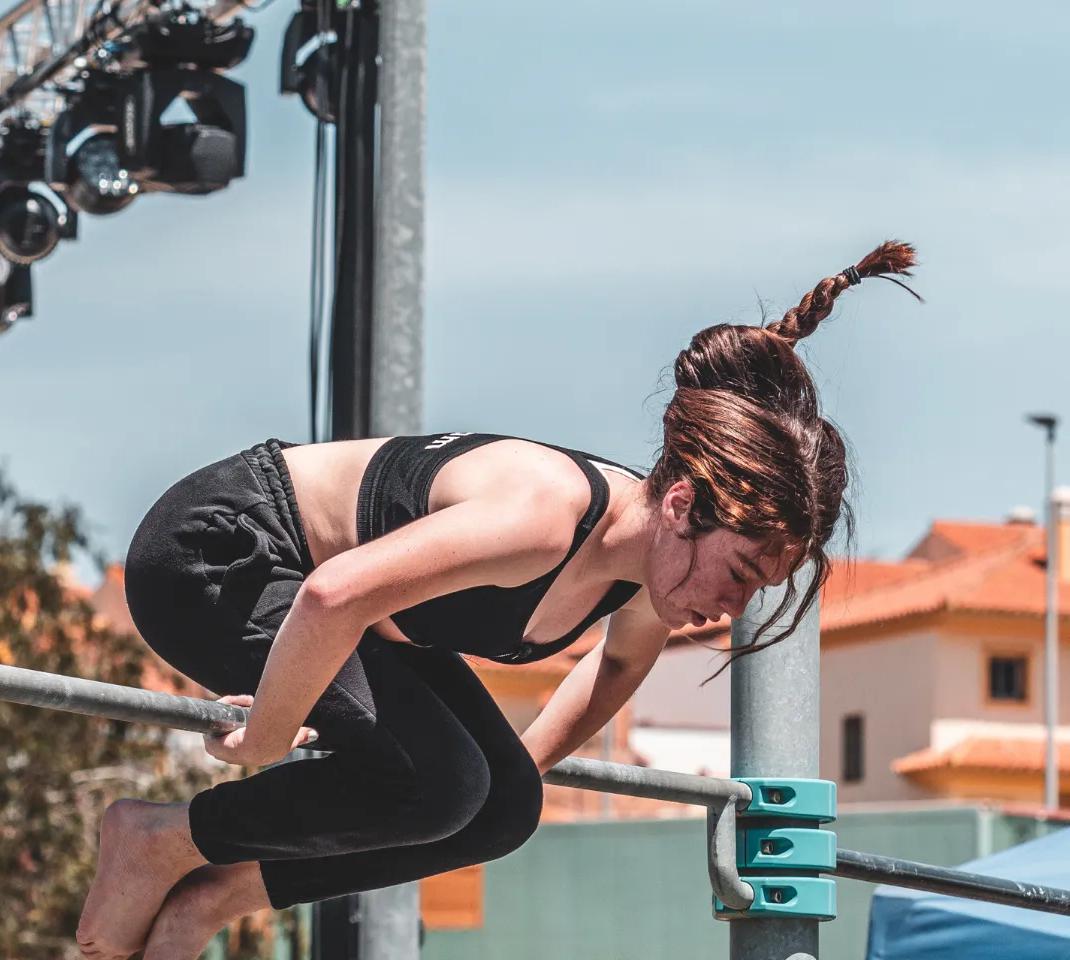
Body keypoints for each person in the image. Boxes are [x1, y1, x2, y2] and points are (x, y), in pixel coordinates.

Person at [76, 241, 920, 960]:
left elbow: (617, 666)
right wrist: (266, 737)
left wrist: (511, 778)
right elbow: (335, 593)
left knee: (502, 809)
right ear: (680, 505)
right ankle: (158, 838)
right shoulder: (543, 516)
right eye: (737, 574)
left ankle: (215, 894)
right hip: (217, 558)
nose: (728, 609)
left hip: (334, 610)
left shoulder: (649, 572)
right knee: (444, 785)